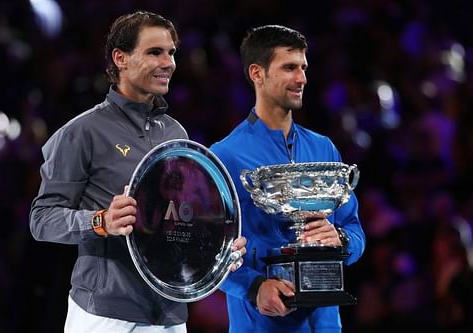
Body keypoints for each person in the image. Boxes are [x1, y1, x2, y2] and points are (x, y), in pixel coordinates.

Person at [29, 10, 245, 333]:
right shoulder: (82, 132)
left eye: (171, 52)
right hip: (104, 313)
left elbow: (177, 220)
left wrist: (217, 248)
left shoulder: (175, 134)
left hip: (169, 313)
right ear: (121, 58)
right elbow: (41, 219)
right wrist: (100, 221)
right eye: (155, 52)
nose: (169, 62)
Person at [210, 25, 366, 332]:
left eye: (304, 68)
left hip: (325, 324)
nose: (302, 79)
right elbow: (205, 252)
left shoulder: (323, 148)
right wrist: (253, 288)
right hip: (262, 323)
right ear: (257, 73)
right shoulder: (225, 155)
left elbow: (354, 228)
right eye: (289, 68)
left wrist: (341, 239)